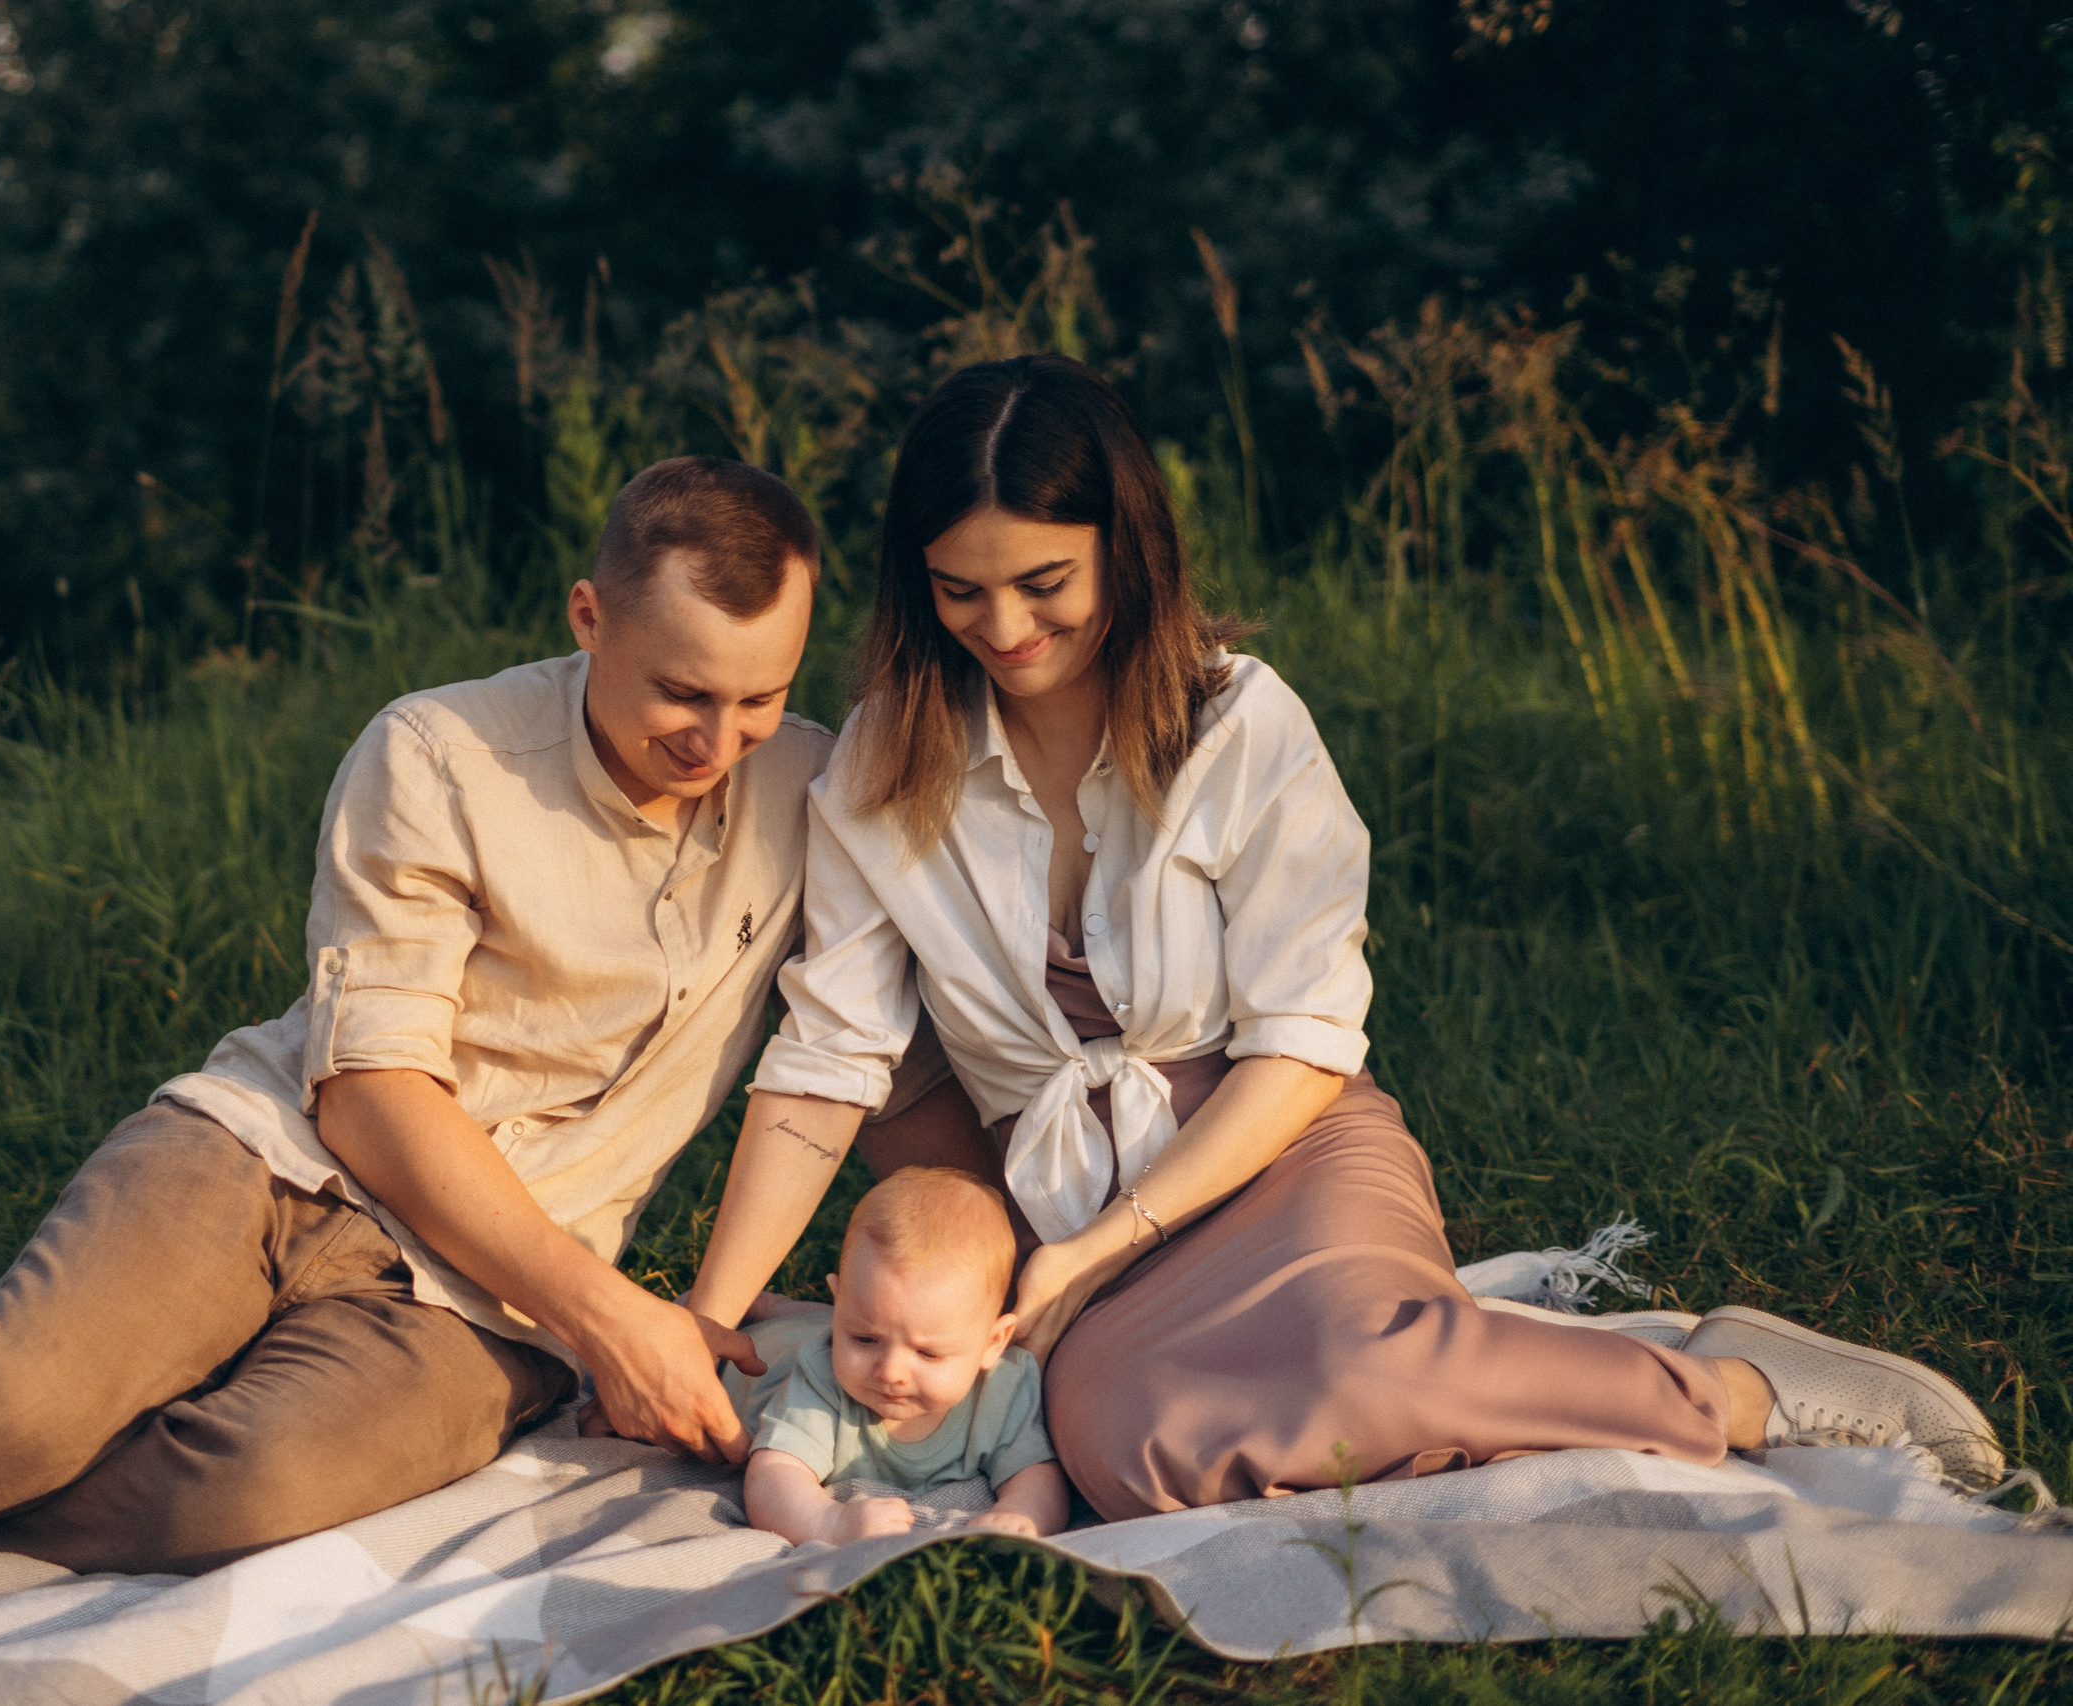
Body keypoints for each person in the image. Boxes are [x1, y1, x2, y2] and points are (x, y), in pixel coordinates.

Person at [684, 355, 2007, 1522]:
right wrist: (707, 1318)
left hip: (1272, 1140)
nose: (1008, 630)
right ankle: (1471, 1366)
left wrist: (1099, 1249)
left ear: (1125, 551)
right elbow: (830, 1060)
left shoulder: (1241, 728)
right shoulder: (881, 762)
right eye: (961, 593)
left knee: (1359, 1372)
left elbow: (1303, 1045)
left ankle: (1733, 1388)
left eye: (1045, 584)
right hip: (1068, 1179)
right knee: (1124, 1454)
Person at [0, 457, 832, 1574]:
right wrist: (611, 1316)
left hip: (483, 1309)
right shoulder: (441, 750)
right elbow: (369, 1091)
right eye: (682, 691)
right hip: (270, 1159)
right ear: (589, 616)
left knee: (237, 1497)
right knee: (17, 1400)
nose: (719, 740)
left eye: (758, 697)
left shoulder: (817, 789)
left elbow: (883, 1037)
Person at [724, 1167, 1068, 1546]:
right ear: (842, 1307)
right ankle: (763, 1307)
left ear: (993, 1343)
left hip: (831, 1321)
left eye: (927, 1353)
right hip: (765, 1355)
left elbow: (1036, 1473)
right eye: (864, 1340)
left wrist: (1021, 1514)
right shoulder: (821, 1377)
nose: (890, 1371)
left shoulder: (1001, 1390)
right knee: (789, 1328)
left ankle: (792, 1310)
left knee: (855, 1321)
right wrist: (829, 1522)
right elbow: (773, 1473)